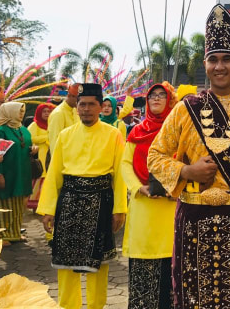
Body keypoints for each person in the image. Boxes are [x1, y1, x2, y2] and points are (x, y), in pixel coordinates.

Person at [148, 4, 230, 309]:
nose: (219, 67)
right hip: (193, 222)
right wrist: (186, 171)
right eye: (213, 59)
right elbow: (155, 155)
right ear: (205, 63)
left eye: (227, 59)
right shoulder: (185, 109)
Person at [37, 83, 127, 309]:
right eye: (82, 104)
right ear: (76, 107)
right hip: (69, 201)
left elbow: (121, 176)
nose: (86, 109)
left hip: (101, 201)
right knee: (66, 264)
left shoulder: (114, 135)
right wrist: (48, 209)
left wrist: (120, 209)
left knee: (100, 263)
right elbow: (55, 174)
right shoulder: (66, 136)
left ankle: (96, 306)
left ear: (100, 107)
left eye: (91, 105)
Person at [122, 82, 178, 309]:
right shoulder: (137, 131)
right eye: (152, 95)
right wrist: (138, 188)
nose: (156, 99)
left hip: (171, 207)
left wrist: (177, 187)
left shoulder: (178, 129)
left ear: (169, 101)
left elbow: (185, 161)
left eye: (161, 96)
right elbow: (125, 164)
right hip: (144, 208)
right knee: (144, 269)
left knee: (173, 268)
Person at [0, 102, 36, 245]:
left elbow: (27, 144)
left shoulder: (23, 129)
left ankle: (14, 233)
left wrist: (34, 149)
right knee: (4, 203)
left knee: (18, 203)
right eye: (18, 111)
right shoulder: (1, 131)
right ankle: (1, 235)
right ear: (9, 112)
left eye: (23, 111)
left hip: (22, 171)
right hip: (8, 172)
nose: (21, 114)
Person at [26, 103, 55, 210]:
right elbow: (31, 138)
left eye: (49, 111)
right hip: (40, 158)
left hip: (51, 157)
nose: (47, 114)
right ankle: (35, 206)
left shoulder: (53, 124)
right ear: (39, 113)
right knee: (39, 181)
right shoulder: (35, 125)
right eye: (44, 111)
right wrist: (46, 138)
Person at [47, 83, 80, 155]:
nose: (80, 102)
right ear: (69, 96)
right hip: (64, 160)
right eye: (78, 99)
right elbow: (54, 143)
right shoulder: (58, 114)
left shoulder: (75, 110)